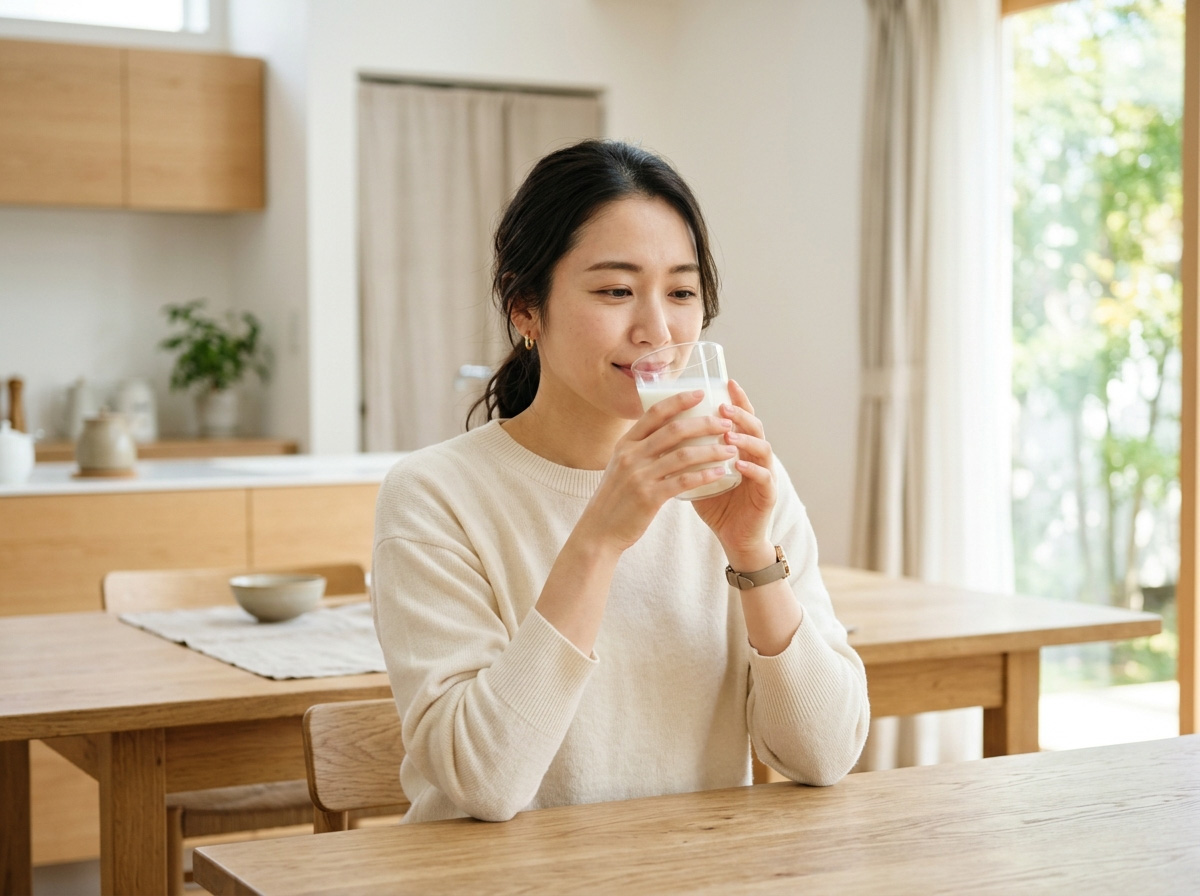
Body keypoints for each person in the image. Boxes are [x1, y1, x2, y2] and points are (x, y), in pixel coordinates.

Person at [372, 139, 869, 824]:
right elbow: (484, 783)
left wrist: (753, 555)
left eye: (682, 292)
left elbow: (824, 753)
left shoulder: (741, 479)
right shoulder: (434, 495)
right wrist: (601, 536)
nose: (657, 329)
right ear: (525, 308)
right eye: (615, 291)